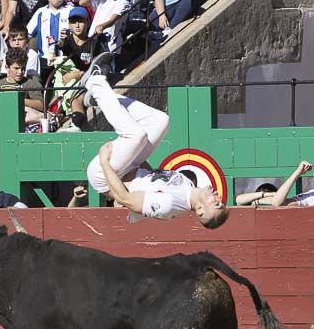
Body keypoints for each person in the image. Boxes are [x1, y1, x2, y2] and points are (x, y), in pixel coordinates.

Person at [84, 74, 227, 226]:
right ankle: (100, 97)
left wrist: (105, 163)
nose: (219, 197)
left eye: (217, 204)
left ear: (200, 210)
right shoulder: (188, 186)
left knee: (136, 136)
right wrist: (136, 153)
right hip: (130, 166)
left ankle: (93, 81)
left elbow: (124, 198)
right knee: (161, 121)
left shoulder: (169, 205)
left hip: (105, 176)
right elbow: (151, 177)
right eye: (221, 202)